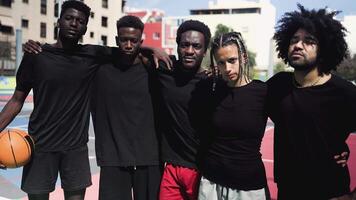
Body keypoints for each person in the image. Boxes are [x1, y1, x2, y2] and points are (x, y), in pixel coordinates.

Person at [0, 1, 97, 200]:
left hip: (75, 148)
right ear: (58, 21)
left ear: (85, 27)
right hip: (39, 146)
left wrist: (154, 50)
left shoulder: (91, 56)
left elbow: (127, 51)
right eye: (69, 18)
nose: (74, 23)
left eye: (80, 21)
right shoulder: (36, 55)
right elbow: (17, 100)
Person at [267, 4, 356, 199]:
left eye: (309, 41)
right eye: (294, 40)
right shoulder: (277, 86)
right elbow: (242, 91)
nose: (298, 45)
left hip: (332, 193)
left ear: (324, 48)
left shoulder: (345, 93)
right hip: (288, 192)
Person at [190, 32, 270, 200]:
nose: (227, 68)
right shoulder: (210, 90)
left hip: (248, 186)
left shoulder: (264, 92)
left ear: (244, 57)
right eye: (221, 62)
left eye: (232, 60)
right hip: (211, 183)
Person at [90, 15, 161, 200]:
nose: (128, 45)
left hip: (149, 157)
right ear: (116, 40)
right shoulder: (100, 69)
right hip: (113, 157)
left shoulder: (154, 70)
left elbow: (185, 70)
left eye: (134, 41)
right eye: (124, 40)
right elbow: (74, 52)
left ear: (141, 42)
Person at [156, 20, 212, 200]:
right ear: (177, 46)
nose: (189, 51)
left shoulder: (212, 83)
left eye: (196, 46)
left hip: (202, 171)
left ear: (205, 50)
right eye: (184, 45)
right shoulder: (165, 69)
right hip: (171, 167)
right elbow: (130, 48)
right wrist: (152, 49)